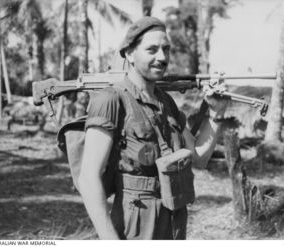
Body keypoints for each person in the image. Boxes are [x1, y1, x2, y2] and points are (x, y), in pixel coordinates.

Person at [77, 16, 228, 240]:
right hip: (135, 225)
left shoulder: (167, 102)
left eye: (166, 49)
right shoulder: (111, 100)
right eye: (152, 49)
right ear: (129, 53)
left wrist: (217, 113)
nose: (162, 57)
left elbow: (198, 158)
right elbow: (88, 179)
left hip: (174, 221)